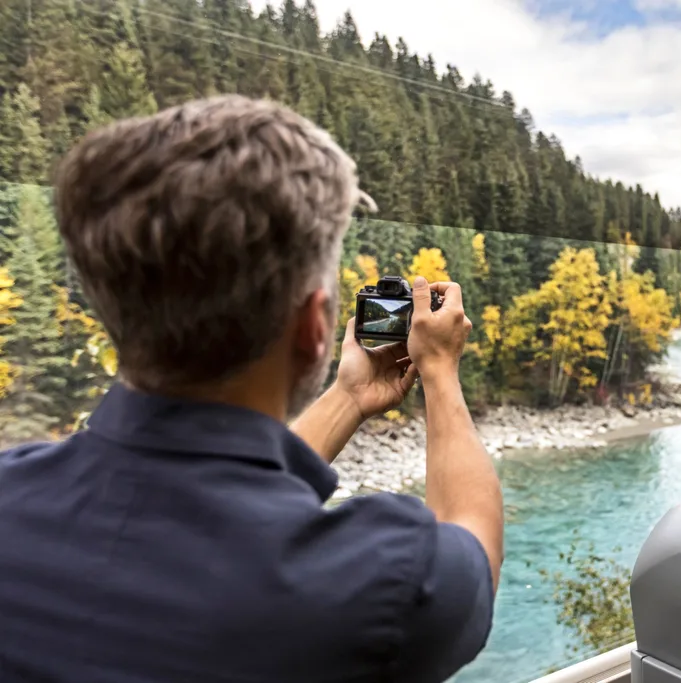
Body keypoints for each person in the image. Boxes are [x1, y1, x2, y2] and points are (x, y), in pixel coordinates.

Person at [0, 96, 504, 683]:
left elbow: (205, 505)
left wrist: (348, 398)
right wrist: (438, 368)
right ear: (314, 327)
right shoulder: (372, 583)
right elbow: (472, 541)